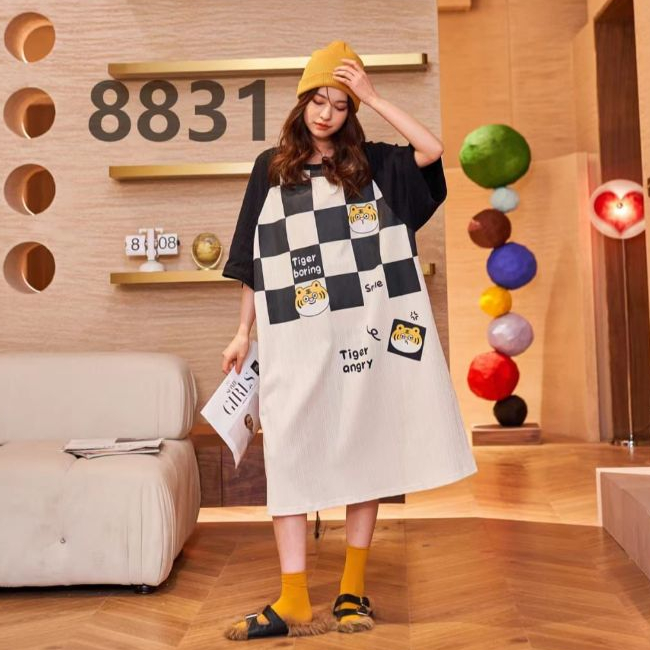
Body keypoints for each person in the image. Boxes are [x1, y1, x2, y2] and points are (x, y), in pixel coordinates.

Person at [221, 40, 478, 641]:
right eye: (319, 100)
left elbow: (432, 151)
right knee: (289, 451)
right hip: (295, 336)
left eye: (340, 105)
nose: (327, 114)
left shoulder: (374, 164)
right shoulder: (270, 168)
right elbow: (253, 260)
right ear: (302, 102)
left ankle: (351, 590)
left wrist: (374, 96)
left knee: (366, 448)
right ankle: (292, 598)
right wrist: (242, 332)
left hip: (364, 335)